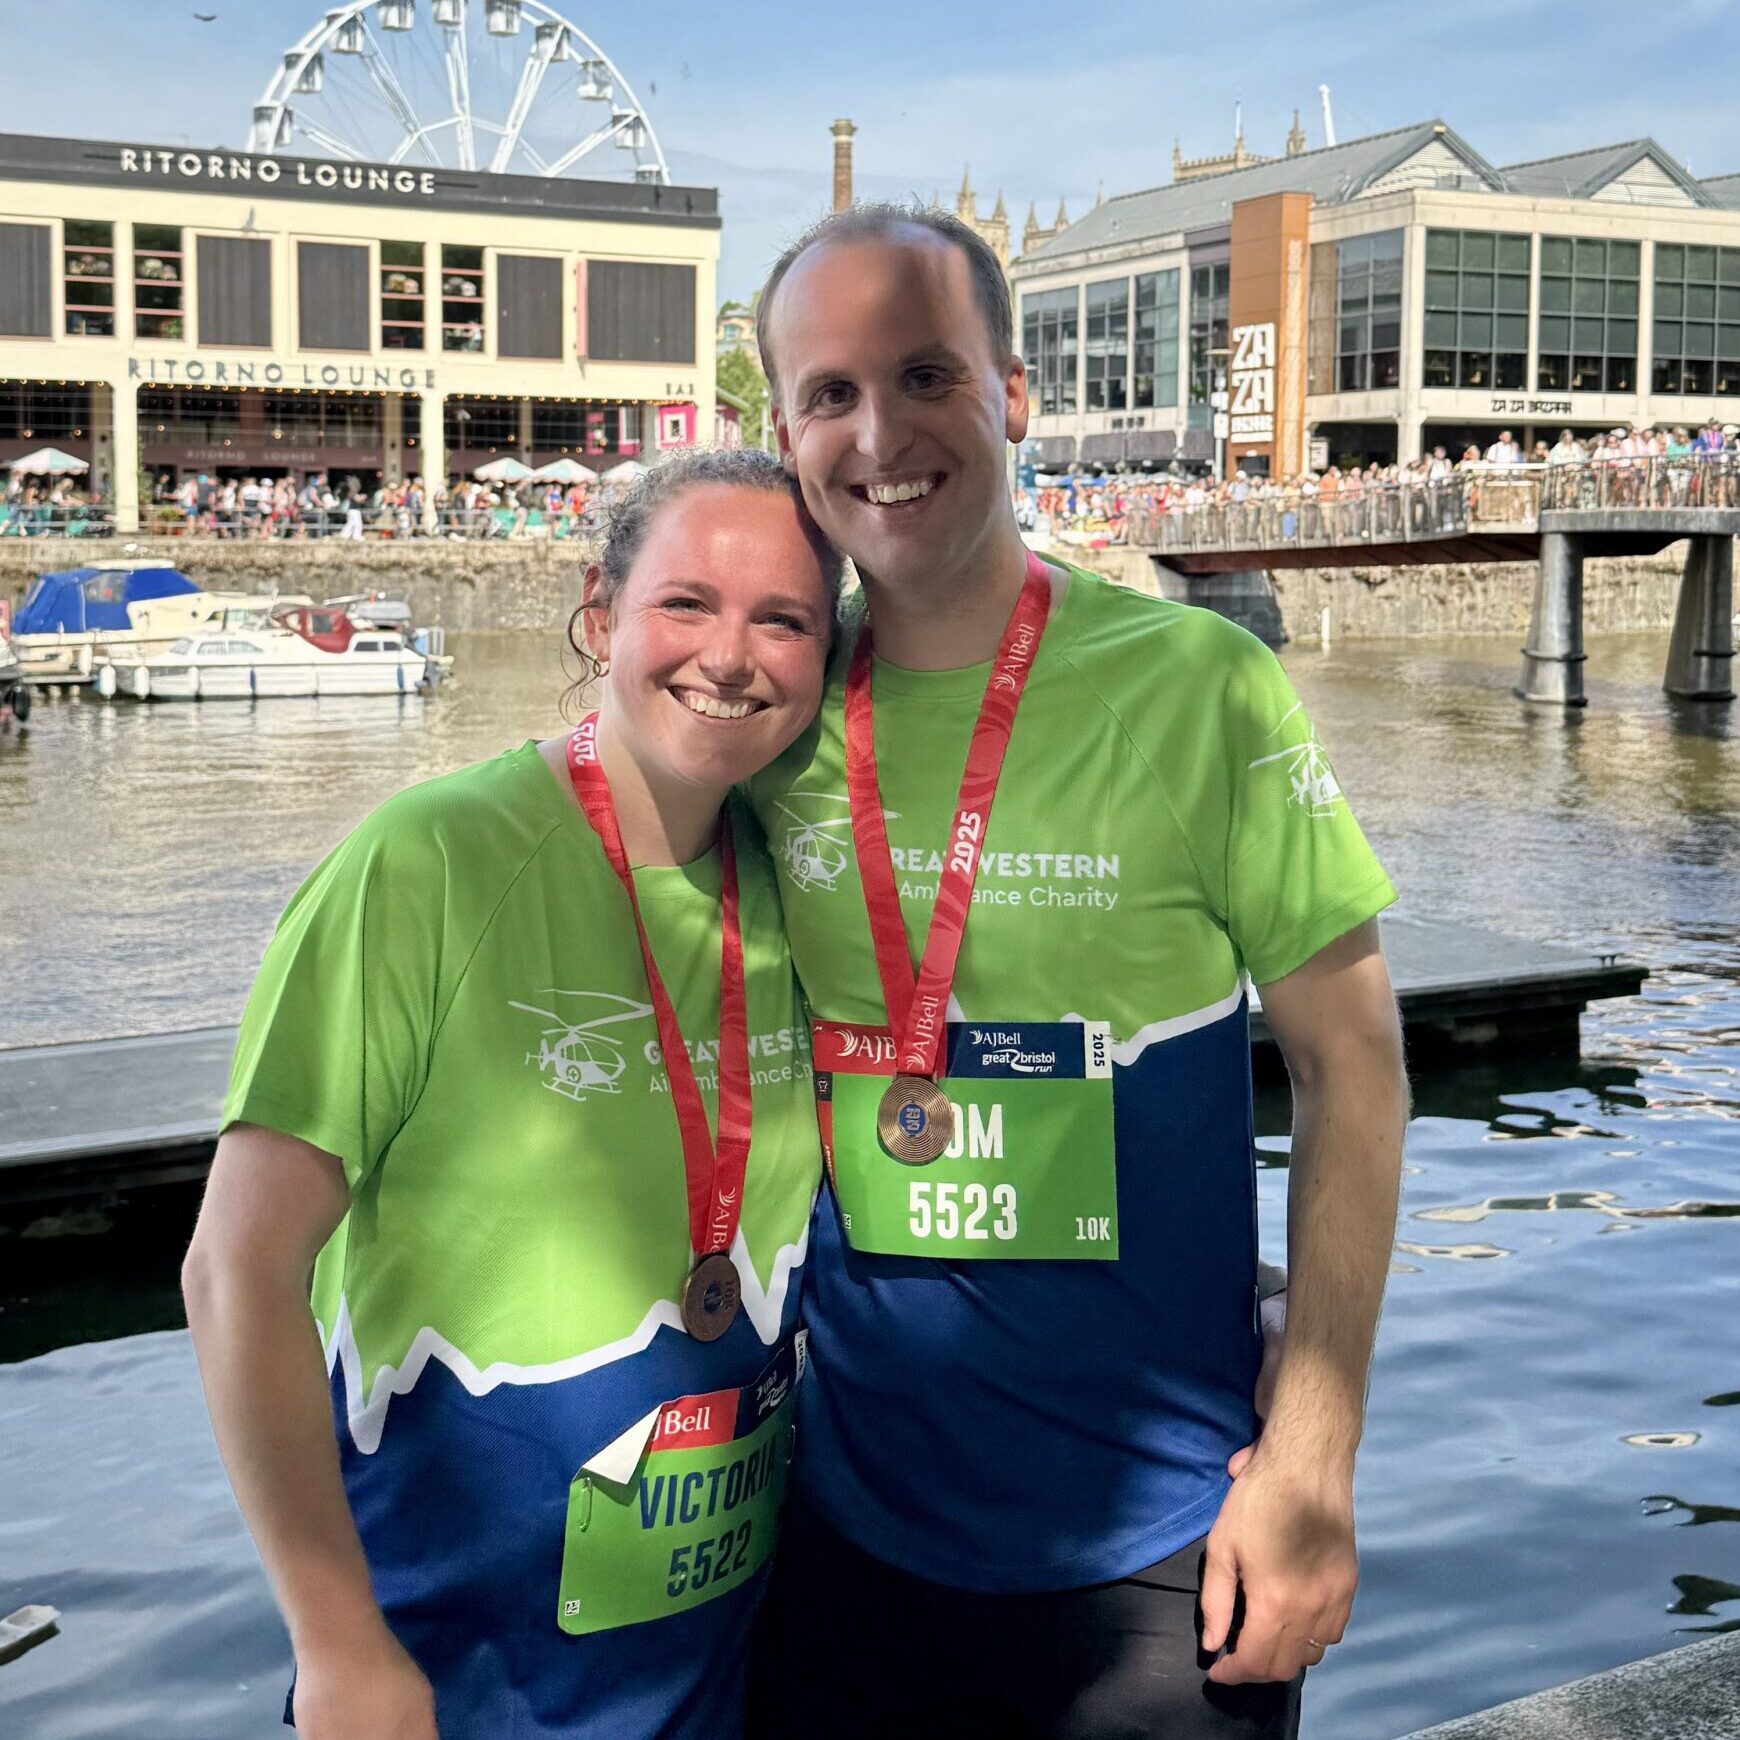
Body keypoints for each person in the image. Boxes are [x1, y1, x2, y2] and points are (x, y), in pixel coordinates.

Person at [743, 203, 1408, 1739]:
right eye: (829, 394)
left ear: (1015, 392)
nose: (879, 433)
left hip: (1165, 1549)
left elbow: (1353, 1068)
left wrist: (1313, 1458)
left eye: (925, 376)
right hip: (842, 1535)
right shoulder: (768, 714)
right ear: (782, 427)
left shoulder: (1201, 688)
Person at [181, 448, 843, 1740]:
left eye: (785, 619)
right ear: (601, 616)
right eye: (687, 604)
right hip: (446, 1683)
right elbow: (234, 1273)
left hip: (708, 1679)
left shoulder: (795, 897)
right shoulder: (423, 867)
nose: (732, 654)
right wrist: (335, 1642)